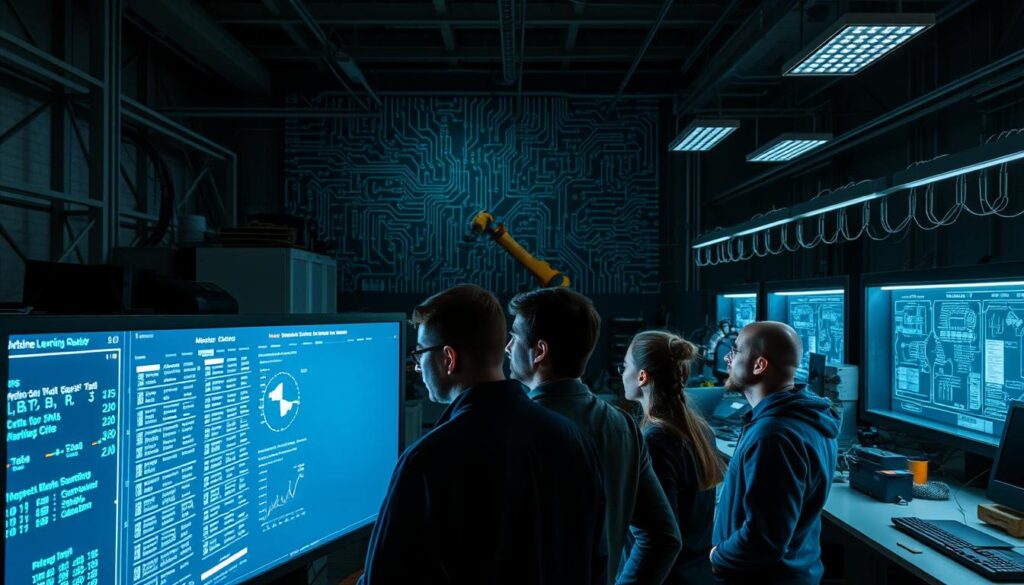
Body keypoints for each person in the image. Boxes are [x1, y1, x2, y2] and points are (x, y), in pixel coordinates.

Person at [360, 284, 607, 585]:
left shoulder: (427, 460)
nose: (417, 365)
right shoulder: (574, 440)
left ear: (449, 358)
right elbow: (596, 563)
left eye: (420, 352)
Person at [506, 287, 682, 585]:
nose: (508, 348)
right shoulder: (622, 426)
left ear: (539, 352)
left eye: (515, 337)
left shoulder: (512, 429)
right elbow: (664, 538)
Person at [710, 321, 840, 585]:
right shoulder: (805, 419)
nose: (727, 357)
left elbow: (763, 540)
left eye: (735, 350)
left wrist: (717, 556)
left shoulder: (773, 436)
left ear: (759, 365)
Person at [621, 330, 723, 585]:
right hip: (696, 575)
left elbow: (658, 539)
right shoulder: (700, 430)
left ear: (642, 376)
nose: (621, 374)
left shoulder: (655, 442)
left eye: (625, 366)